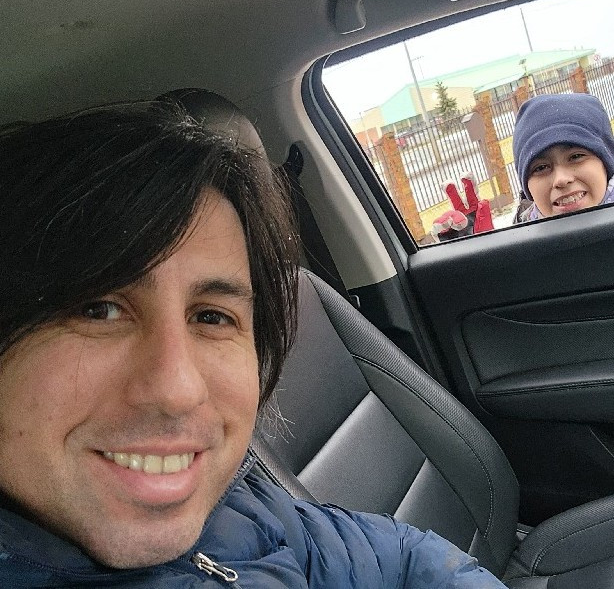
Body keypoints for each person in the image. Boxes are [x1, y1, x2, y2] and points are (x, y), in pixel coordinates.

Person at [0, 100, 505, 587]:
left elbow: (399, 555)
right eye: (98, 310)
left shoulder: (240, 504)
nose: (179, 391)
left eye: (211, 317)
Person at [512, 93, 614, 222]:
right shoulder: (520, 233)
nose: (561, 179)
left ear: (606, 163)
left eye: (576, 156)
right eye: (541, 168)